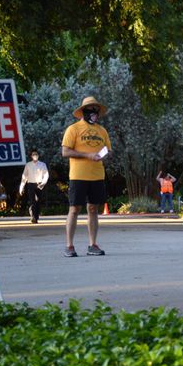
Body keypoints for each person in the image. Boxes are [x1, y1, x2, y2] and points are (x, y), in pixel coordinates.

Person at [61, 96, 111, 257]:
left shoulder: (102, 130)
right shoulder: (73, 129)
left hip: (97, 176)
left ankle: (93, 245)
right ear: (84, 112)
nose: (95, 113)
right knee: (74, 209)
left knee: (93, 209)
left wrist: (104, 155)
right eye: (91, 110)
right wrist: (87, 155)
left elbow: (108, 150)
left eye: (97, 110)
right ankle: (69, 246)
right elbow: (65, 151)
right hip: (78, 176)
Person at [19, 150, 49, 223]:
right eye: (33, 154)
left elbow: (46, 175)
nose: (35, 155)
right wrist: (21, 187)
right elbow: (24, 176)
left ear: (38, 155)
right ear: (31, 156)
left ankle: (36, 216)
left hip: (39, 184)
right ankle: (33, 217)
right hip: (30, 184)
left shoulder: (42, 164)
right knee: (32, 201)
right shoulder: (28, 165)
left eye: (36, 154)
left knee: (38, 201)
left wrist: (43, 183)